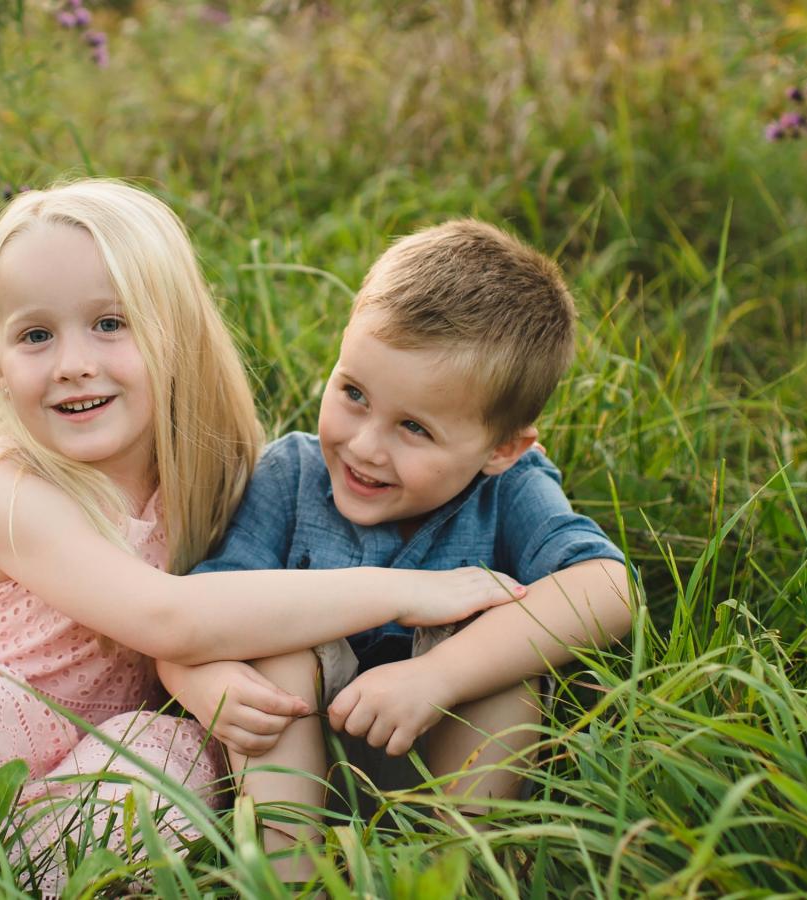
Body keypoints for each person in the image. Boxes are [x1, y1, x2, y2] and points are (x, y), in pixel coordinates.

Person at [0, 181, 526, 894]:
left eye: (109, 324)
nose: (72, 363)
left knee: (171, 757)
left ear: (174, 332)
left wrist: (203, 688)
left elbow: (231, 612)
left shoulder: (208, 467)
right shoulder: (8, 488)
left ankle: (33, 876)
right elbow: (169, 617)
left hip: (84, 760)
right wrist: (415, 588)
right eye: (37, 336)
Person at [158, 219, 635, 876]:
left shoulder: (509, 489)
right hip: (298, 751)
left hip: (433, 758)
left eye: (414, 427)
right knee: (272, 646)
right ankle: (292, 881)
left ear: (500, 449)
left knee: (508, 672)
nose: (364, 446)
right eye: (353, 394)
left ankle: (455, 873)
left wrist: (440, 676)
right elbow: (202, 607)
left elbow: (607, 589)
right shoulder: (291, 474)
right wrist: (193, 675)